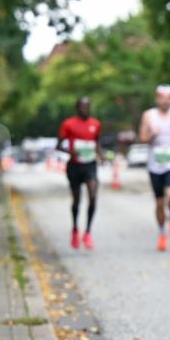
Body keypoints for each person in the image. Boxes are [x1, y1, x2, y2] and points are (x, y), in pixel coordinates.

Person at [139, 84, 170, 252]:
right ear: (157, 98)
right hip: (155, 165)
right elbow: (142, 138)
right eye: (162, 97)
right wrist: (151, 134)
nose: (165, 101)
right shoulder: (148, 116)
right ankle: (162, 233)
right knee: (160, 202)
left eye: (169, 98)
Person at [57, 97, 102, 250]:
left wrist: (99, 155)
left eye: (87, 106)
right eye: (81, 106)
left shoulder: (95, 124)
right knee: (77, 201)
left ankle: (88, 232)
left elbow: (96, 142)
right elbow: (58, 146)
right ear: (77, 108)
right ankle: (75, 229)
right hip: (75, 166)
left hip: (90, 165)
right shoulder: (68, 124)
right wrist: (70, 151)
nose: (84, 109)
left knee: (93, 195)